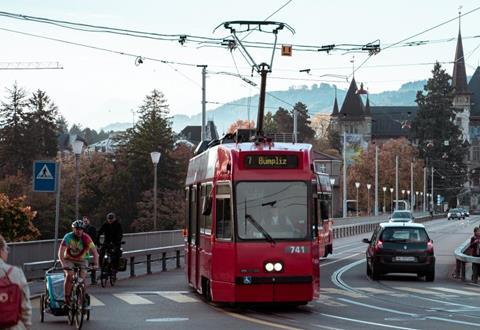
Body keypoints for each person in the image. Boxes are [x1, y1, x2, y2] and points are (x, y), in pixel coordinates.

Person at [58, 220, 99, 305]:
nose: (79, 231)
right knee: (69, 275)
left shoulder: (86, 238)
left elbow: (95, 252)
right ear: (73, 229)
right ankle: (67, 298)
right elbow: (61, 252)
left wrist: (96, 264)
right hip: (69, 259)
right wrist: (63, 263)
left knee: (82, 278)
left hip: (82, 260)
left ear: (83, 230)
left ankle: (82, 298)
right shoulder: (68, 237)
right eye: (76, 229)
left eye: (81, 229)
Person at [0, 234, 32, 330]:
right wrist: (27, 326)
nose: (7, 252)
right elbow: (25, 307)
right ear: (1, 250)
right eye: (6, 249)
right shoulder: (15, 272)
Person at [82, 216, 98, 285]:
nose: (85, 223)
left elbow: (96, 237)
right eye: (84, 221)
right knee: (85, 263)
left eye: (86, 221)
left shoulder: (92, 228)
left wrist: (95, 245)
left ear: (89, 221)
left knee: (92, 262)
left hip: (92, 246)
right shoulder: (81, 229)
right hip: (85, 247)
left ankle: (93, 278)